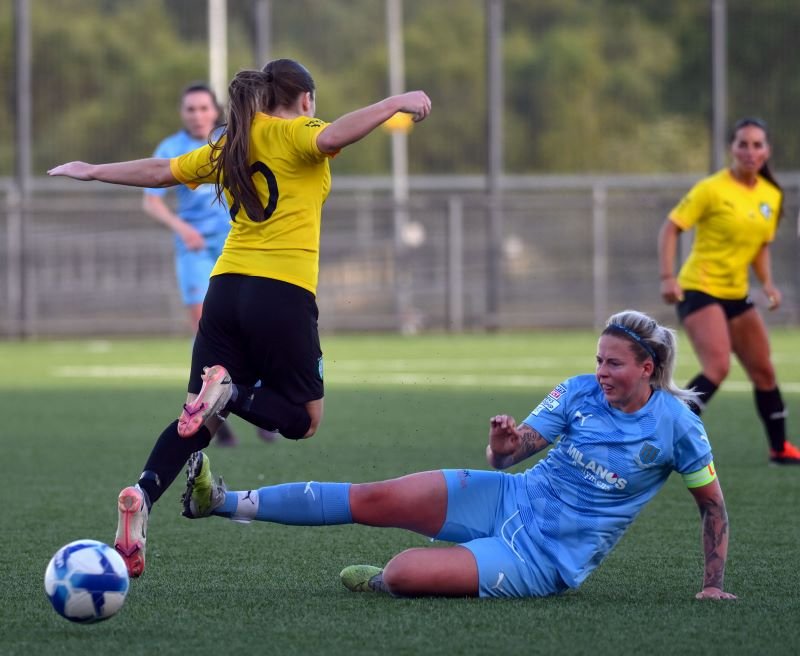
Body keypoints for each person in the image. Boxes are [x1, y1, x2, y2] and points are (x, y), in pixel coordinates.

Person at [48, 58, 432, 578]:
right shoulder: (299, 132)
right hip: (283, 293)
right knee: (303, 421)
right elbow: (337, 133)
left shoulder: (229, 144)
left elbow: (161, 172)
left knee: (195, 419)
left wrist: (92, 170)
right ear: (304, 100)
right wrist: (394, 103)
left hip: (225, 291)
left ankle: (142, 494)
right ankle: (230, 393)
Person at [181, 310, 736, 600]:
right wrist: (502, 445)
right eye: (598, 360)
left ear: (647, 368)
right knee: (375, 498)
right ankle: (222, 501)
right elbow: (510, 457)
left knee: (401, 575)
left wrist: (712, 583)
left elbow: (713, 507)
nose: (600, 373)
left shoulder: (679, 427)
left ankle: (388, 580)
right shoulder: (580, 390)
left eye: (614, 365)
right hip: (510, 497)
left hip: (541, 560)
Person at [658, 116, 800, 465]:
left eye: (757, 144)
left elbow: (760, 246)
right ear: (731, 149)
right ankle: (663, 435)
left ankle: (779, 448)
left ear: (767, 151)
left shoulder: (771, 195)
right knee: (718, 366)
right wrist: (667, 276)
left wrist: (766, 283)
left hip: (737, 294)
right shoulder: (712, 188)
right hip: (699, 289)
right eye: (742, 144)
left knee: (763, 370)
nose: (749, 151)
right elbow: (671, 228)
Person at [143, 83, 238, 446]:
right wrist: (183, 228)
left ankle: (259, 399)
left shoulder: (231, 141)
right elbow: (151, 201)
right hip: (194, 250)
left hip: (235, 245)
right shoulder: (171, 149)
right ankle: (207, 407)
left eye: (203, 108)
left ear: (215, 111)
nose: (197, 115)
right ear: (183, 114)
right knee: (204, 329)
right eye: (190, 109)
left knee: (248, 322)